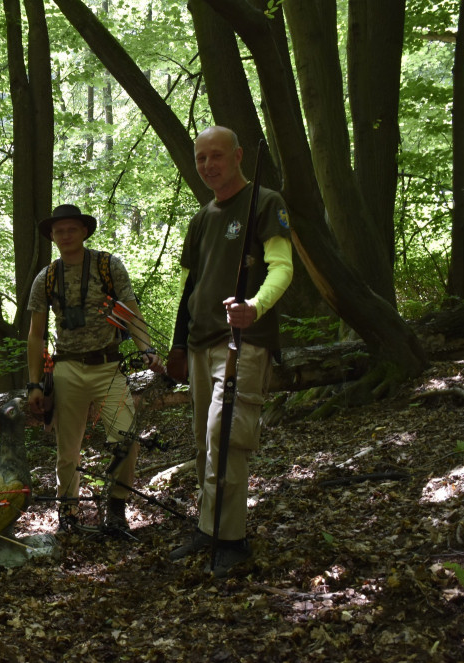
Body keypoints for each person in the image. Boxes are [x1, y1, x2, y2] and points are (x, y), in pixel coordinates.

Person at [166, 126, 293, 578]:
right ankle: (209, 528)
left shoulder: (264, 202)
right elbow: (190, 288)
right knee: (205, 442)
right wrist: (178, 345)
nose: (207, 166)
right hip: (200, 342)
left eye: (216, 156)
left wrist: (254, 307)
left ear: (238, 156)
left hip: (242, 342)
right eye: (201, 159)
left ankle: (232, 540)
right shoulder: (202, 218)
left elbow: (281, 266)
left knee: (227, 438)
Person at [26, 204, 163, 534]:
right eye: (60, 231)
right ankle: (68, 512)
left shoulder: (107, 265)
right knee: (67, 448)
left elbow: (130, 310)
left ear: (84, 231)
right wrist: (34, 383)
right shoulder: (45, 278)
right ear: (53, 236)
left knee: (125, 438)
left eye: (72, 229)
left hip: (108, 364)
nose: (66, 235)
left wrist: (147, 349)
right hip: (66, 368)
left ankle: (116, 508)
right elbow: (35, 335)